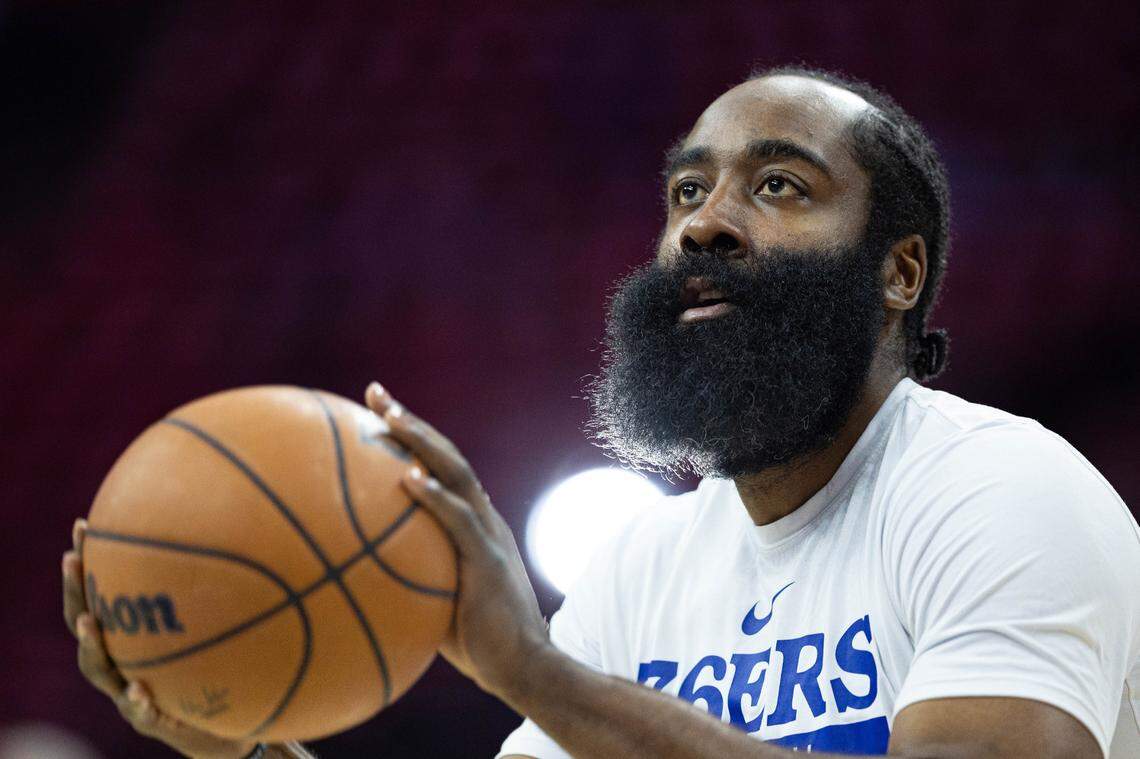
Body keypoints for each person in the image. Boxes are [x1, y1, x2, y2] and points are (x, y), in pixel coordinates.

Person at [62, 66, 1140, 758]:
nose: (706, 226)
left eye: (778, 186)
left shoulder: (999, 491)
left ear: (899, 273)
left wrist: (530, 670)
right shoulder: (646, 567)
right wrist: (250, 737)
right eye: (686, 191)